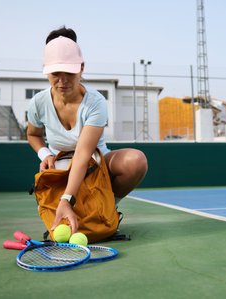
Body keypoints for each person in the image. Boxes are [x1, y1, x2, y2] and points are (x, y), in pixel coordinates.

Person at [26, 27, 148, 235]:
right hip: (61, 166)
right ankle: (73, 206)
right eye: (56, 73)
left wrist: (66, 198)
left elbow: (83, 154)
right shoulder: (38, 102)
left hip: (94, 162)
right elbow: (33, 134)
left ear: (81, 68)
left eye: (70, 72)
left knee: (135, 161)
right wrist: (45, 154)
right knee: (51, 206)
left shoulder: (96, 102)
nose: (62, 80)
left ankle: (108, 207)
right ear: (46, 70)